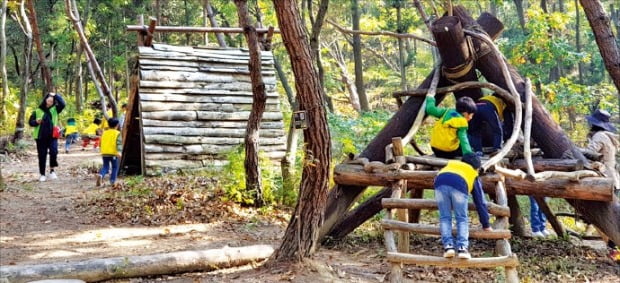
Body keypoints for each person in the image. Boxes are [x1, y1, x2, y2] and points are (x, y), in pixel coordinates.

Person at [434, 153, 492, 259]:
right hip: (459, 184)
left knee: (445, 217)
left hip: (440, 182)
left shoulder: (452, 165)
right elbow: (480, 201)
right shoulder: (472, 173)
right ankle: (462, 248)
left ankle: (448, 247)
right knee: (461, 218)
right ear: (476, 168)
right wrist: (486, 224)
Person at [583, 109, 619, 263]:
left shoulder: (599, 136)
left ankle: (614, 249)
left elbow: (590, 153)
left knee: (606, 216)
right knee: (615, 215)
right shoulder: (610, 138)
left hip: (604, 180)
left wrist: (576, 150)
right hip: (614, 180)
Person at [28, 92, 66, 182]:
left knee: (54, 151)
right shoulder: (37, 111)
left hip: (53, 136)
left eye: (52, 101)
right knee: (42, 155)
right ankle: (42, 174)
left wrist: (54, 95)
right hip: (40, 137)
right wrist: (36, 122)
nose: (50, 102)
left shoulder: (55, 109)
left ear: (53, 102)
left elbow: (63, 104)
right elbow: (30, 122)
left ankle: (52, 171)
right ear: (45, 100)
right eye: (48, 100)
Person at [96, 118, 122, 186]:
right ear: (117, 125)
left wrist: (101, 149)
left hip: (104, 152)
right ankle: (112, 181)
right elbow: (119, 143)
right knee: (114, 167)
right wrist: (119, 151)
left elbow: (100, 142)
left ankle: (101, 175)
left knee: (105, 166)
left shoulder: (104, 133)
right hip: (113, 153)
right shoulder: (117, 133)